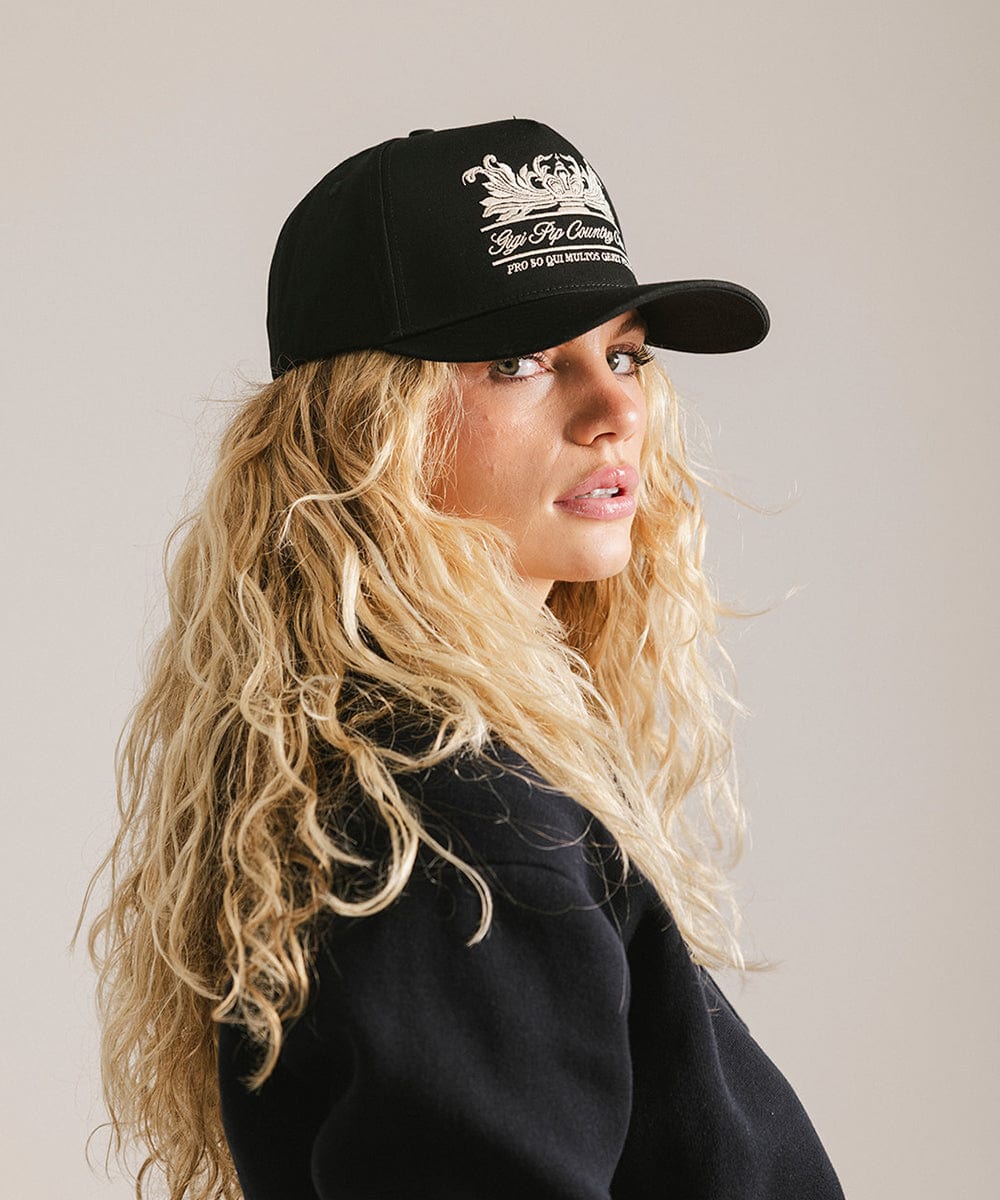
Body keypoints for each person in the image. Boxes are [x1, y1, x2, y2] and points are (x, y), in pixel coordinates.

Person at [83, 119, 845, 1199]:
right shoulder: (455, 819)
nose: (617, 408)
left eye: (623, 352)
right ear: (362, 429)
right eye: (520, 360)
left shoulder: (437, 783)